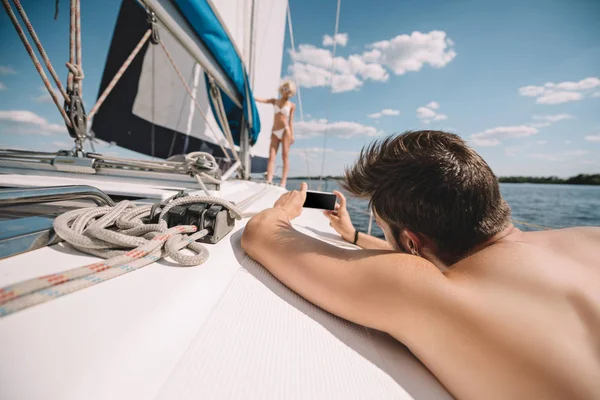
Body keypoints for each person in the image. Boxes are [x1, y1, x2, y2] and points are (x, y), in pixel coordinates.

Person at [241, 130, 600, 400]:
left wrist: (285, 207)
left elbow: (261, 234)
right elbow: (434, 259)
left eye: (384, 229)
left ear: (412, 242)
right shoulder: (587, 239)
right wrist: (352, 235)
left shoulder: (424, 290)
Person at [255, 81, 297, 188]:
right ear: (282, 89)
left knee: (285, 156)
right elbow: (264, 100)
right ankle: (269, 180)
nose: (286, 91)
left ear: (291, 92)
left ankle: (283, 182)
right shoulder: (275, 101)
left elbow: (290, 121)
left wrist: (292, 135)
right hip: (275, 131)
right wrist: (252, 96)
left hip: (285, 131)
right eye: (285, 88)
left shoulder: (292, 105)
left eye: (288, 89)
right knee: (271, 157)